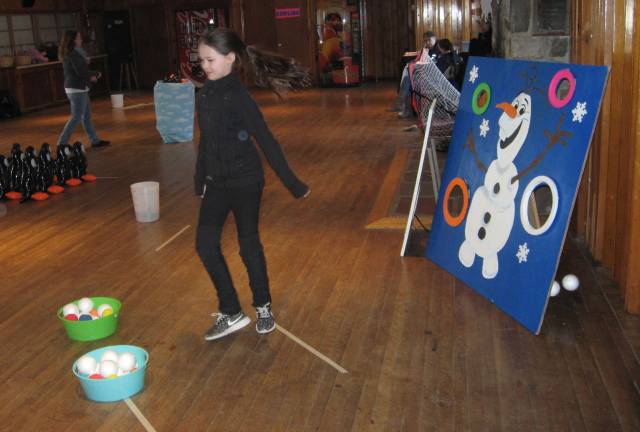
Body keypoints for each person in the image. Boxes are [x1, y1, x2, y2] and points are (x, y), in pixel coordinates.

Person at [195, 28, 311, 341]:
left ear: (230, 58)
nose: (204, 66)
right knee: (205, 244)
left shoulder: (238, 96)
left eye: (210, 59)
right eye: (202, 60)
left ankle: (263, 306)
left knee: (249, 245)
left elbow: (265, 139)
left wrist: (293, 182)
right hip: (216, 182)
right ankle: (231, 310)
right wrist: (199, 179)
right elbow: (206, 140)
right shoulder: (205, 94)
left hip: (246, 181)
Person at [57, 30, 110, 148]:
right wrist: (95, 73)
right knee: (76, 117)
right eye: (79, 38)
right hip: (76, 88)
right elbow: (81, 72)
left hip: (80, 87)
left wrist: (90, 76)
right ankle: (62, 143)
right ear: (73, 40)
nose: (81, 40)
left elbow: (81, 71)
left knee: (86, 116)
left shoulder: (76, 53)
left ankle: (94, 141)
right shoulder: (72, 54)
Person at [394, 31, 437, 118]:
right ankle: (403, 106)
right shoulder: (428, 48)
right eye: (425, 41)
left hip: (432, 77)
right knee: (408, 78)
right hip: (424, 74)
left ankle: (401, 104)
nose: (427, 42)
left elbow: (433, 64)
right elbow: (422, 59)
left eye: (429, 40)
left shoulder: (437, 49)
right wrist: (423, 50)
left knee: (408, 79)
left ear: (434, 38)